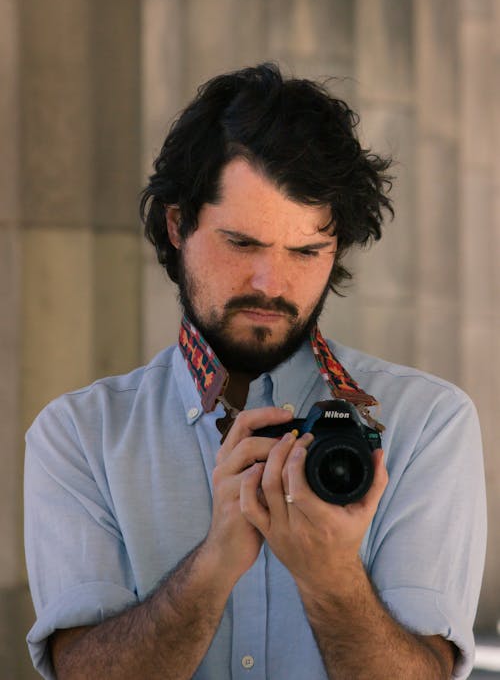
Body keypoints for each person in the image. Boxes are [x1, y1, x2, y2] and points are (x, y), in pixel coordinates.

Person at [24, 63, 486, 680]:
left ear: (337, 251)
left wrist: (330, 577)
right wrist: (213, 565)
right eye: (241, 243)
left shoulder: (426, 423)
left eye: (305, 252)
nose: (272, 283)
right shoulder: (80, 435)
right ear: (176, 225)